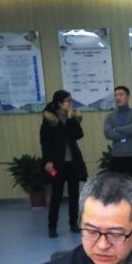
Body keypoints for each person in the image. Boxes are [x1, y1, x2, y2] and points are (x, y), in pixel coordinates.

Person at [40, 89, 88, 237]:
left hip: (73, 162)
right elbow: (45, 142)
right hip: (57, 164)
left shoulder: (71, 117)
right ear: (60, 103)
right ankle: (52, 226)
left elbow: (78, 135)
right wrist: (48, 160)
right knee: (56, 195)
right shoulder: (49, 120)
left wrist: (72, 119)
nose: (70, 103)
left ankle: (73, 223)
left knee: (74, 195)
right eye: (68, 101)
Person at [104, 85, 132, 181]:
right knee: (117, 186)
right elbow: (108, 134)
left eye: (121, 95)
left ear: (128, 97)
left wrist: (116, 129)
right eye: (116, 95)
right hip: (117, 157)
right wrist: (127, 131)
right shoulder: (110, 116)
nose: (118, 97)